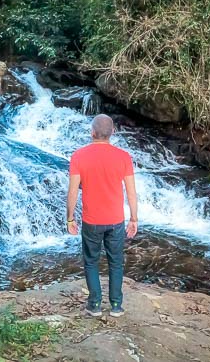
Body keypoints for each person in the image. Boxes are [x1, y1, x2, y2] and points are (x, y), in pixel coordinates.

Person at [67, 114, 138, 318]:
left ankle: (95, 304)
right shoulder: (124, 157)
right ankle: (116, 305)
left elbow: (73, 192)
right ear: (112, 133)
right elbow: (131, 192)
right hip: (116, 220)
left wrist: (70, 218)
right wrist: (134, 218)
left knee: (91, 261)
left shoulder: (78, 156)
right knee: (116, 261)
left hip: (91, 221)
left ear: (92, 133)